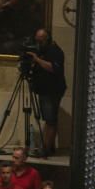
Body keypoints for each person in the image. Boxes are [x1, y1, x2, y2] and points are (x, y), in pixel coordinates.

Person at [27, 28, 66, 156]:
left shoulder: (56, 51)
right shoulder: (42, 51)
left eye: (41, 40)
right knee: (48, 119)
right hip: (44, 90)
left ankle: (46, 149)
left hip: (52, 90)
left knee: (50, 120)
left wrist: (37, 60)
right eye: (37, 40)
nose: (38, 43)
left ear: (47, 39)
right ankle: (48, 146)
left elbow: (53, 68)